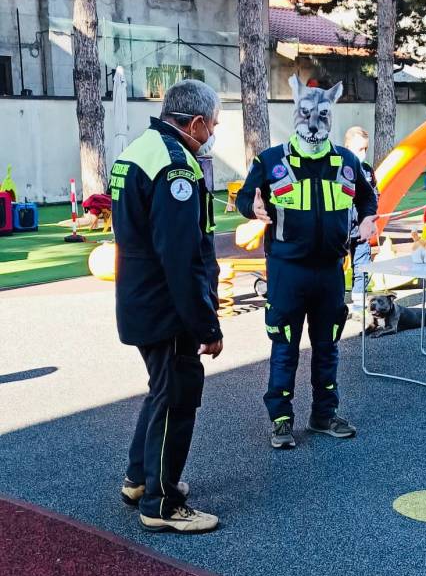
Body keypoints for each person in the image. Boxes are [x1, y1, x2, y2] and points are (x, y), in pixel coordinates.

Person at [237, 75, 378, 449]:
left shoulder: (347, 162)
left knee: (328, 347)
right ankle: (281, 420)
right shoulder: (270, 161)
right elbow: (244, 197)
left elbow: (367, 199)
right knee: (284, 347)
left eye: (322, 114)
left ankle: (324, 414)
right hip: (287, 272)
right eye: (306, 113)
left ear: (332, 115)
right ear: (296, 113)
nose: (314, 122)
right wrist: (252, 206)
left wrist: (368, 218)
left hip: (331, 271)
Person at [111, 79, 223, 534]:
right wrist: (205, 324)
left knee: (160, 389)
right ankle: (163, 502)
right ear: (195, 122)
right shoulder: (176, 167)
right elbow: (181, 256)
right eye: (212, 125)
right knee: (177, 398)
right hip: (166, 305)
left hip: (140, 297)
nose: (212, 134)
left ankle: (140, 479)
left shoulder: (141, 148)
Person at [344, 126, 379, 316]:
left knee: (363, 264)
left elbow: (373, 195)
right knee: (335, 266)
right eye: (359, 149)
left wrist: (370, 218)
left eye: (366, 149)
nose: (363, 153)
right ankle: (335, 304)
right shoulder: (338, 169)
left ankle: (358, 303)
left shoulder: (367, 170)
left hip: (361, 229)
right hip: (340, 228)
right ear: (347, 147)